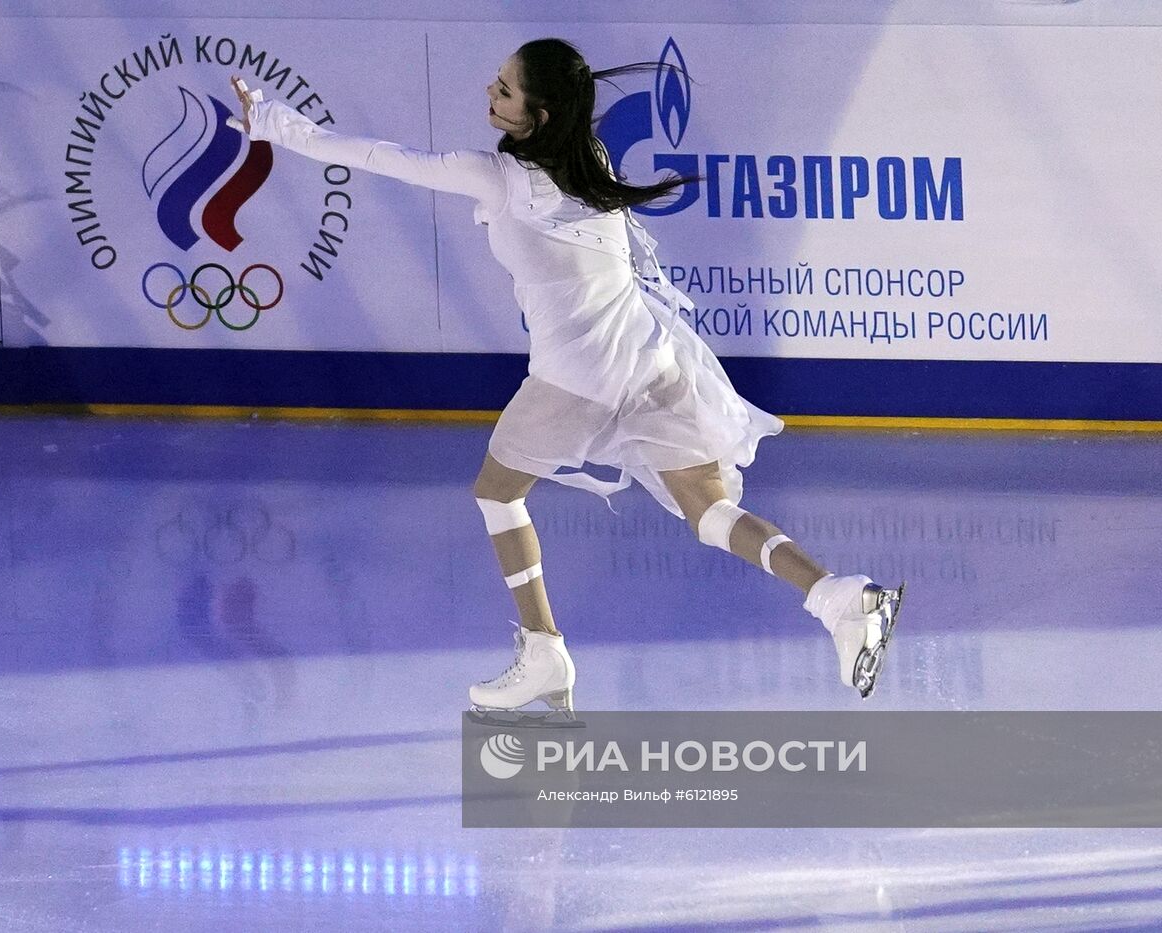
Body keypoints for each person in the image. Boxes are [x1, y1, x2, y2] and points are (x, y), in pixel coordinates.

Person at [227, 38, 902, 718]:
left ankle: (545, 647)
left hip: (577, 377)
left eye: (504, 90)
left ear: (541, 115)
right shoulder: (594, 163)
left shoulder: (496, 177)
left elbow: (381, 159)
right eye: (495, 81)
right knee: (711, 512)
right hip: (650, 363)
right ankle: (839, 596)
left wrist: (274, 123)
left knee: (497, 491)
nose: (489, 94)